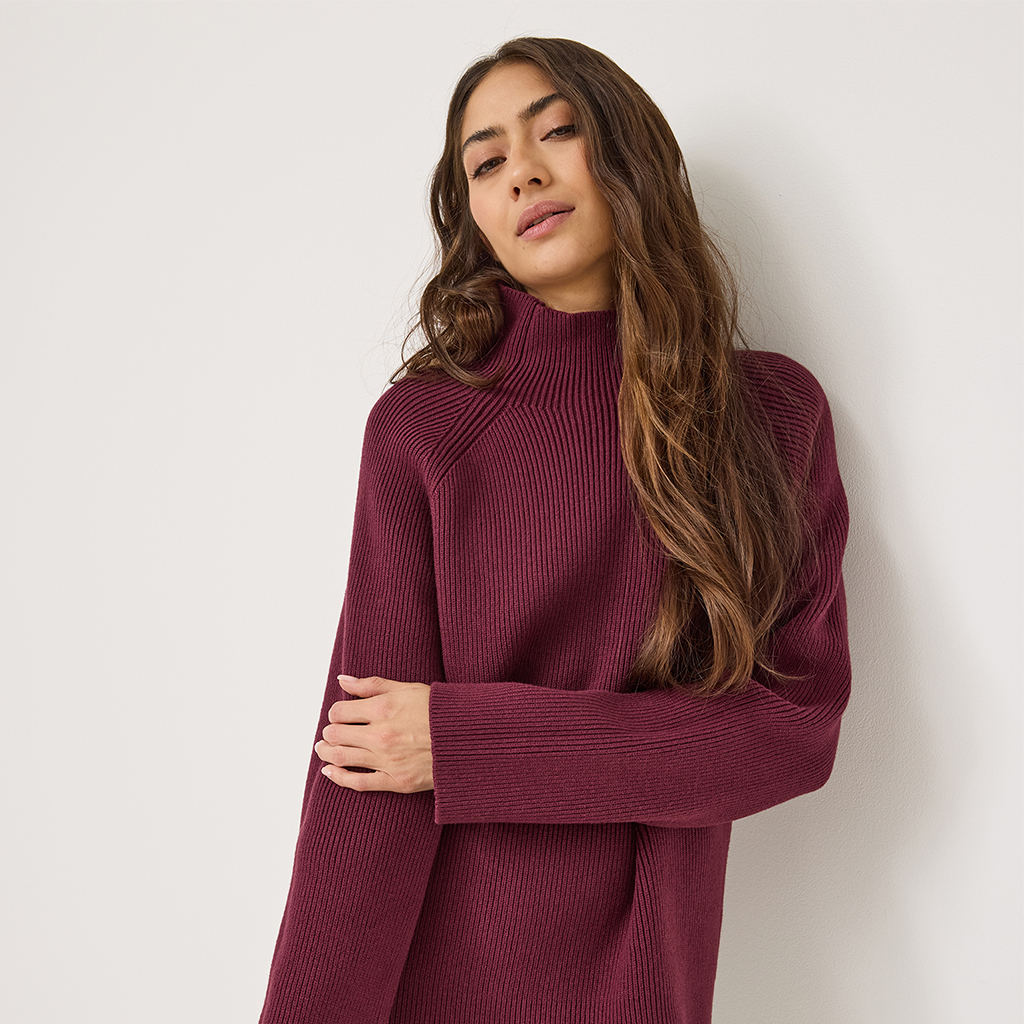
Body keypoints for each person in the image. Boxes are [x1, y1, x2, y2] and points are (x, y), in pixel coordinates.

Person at [259, 36, 850, 1024]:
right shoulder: (425, 430)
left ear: (627, 152)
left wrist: (469, 743)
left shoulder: (770, 416)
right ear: (474, 217)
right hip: (423, 981)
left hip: (636, 988)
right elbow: (369, 766)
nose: (522, 169)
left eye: (557, 130)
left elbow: (786, 734)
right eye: (485, 162)